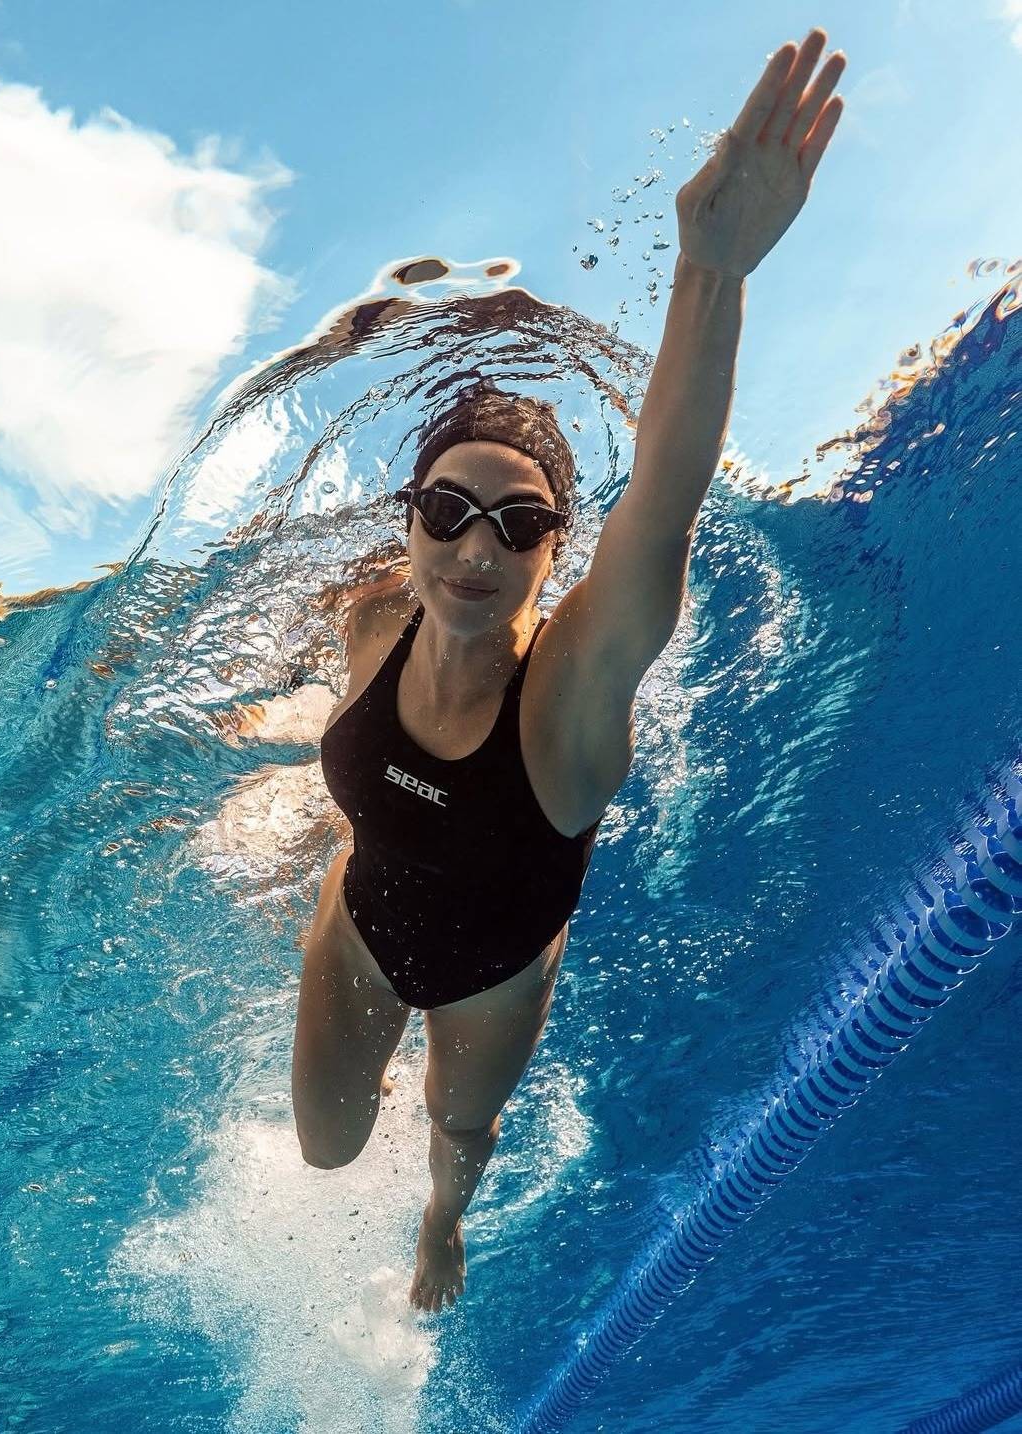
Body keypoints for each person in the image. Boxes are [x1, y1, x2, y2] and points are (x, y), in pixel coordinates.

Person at [292, 28, 846, 1313]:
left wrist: (710, 271)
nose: (478, 548)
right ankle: (308, 864)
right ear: (410, 522)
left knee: (451, 1149)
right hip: (365, 928)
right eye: (449, 510)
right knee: (324, 1149)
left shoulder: (570, 706)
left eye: (523, 522)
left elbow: (666, 499)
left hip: (494, 978)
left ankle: (439, 1232)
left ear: (556, 553)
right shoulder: (373, 620)